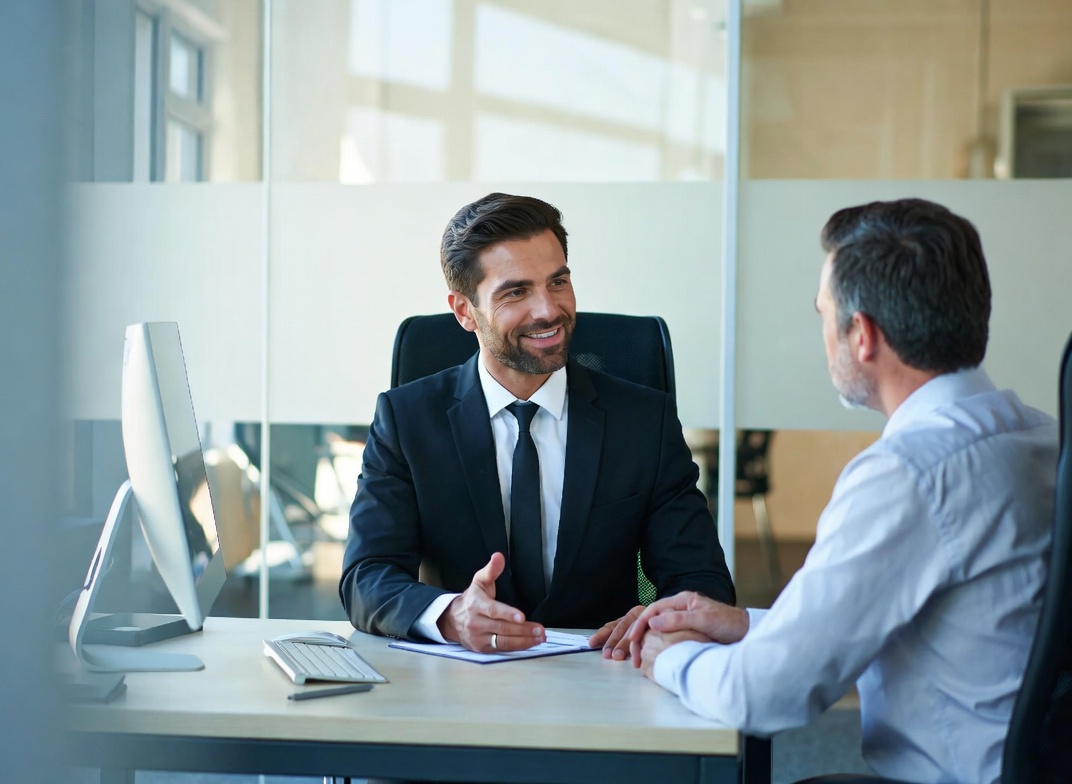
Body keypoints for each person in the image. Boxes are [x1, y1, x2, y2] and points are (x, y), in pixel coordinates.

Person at [625, 198, 1059, 784]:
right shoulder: (1040, 436)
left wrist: (668, 657)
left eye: (824, 314)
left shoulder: (910, 473)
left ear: (863, 335)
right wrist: (746, 624)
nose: (823, 335)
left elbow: (765, 695)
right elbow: (911, 617)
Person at [340, 192, 733, 655]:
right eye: (515, 291)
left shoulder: (643, 421)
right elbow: (367, 576)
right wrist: (450, 615)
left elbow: (702, 579)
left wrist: (660, 613)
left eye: (558, 282)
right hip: (461, 682)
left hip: (603, 673)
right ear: (465, 311)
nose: (548, 310)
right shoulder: (407, 420)